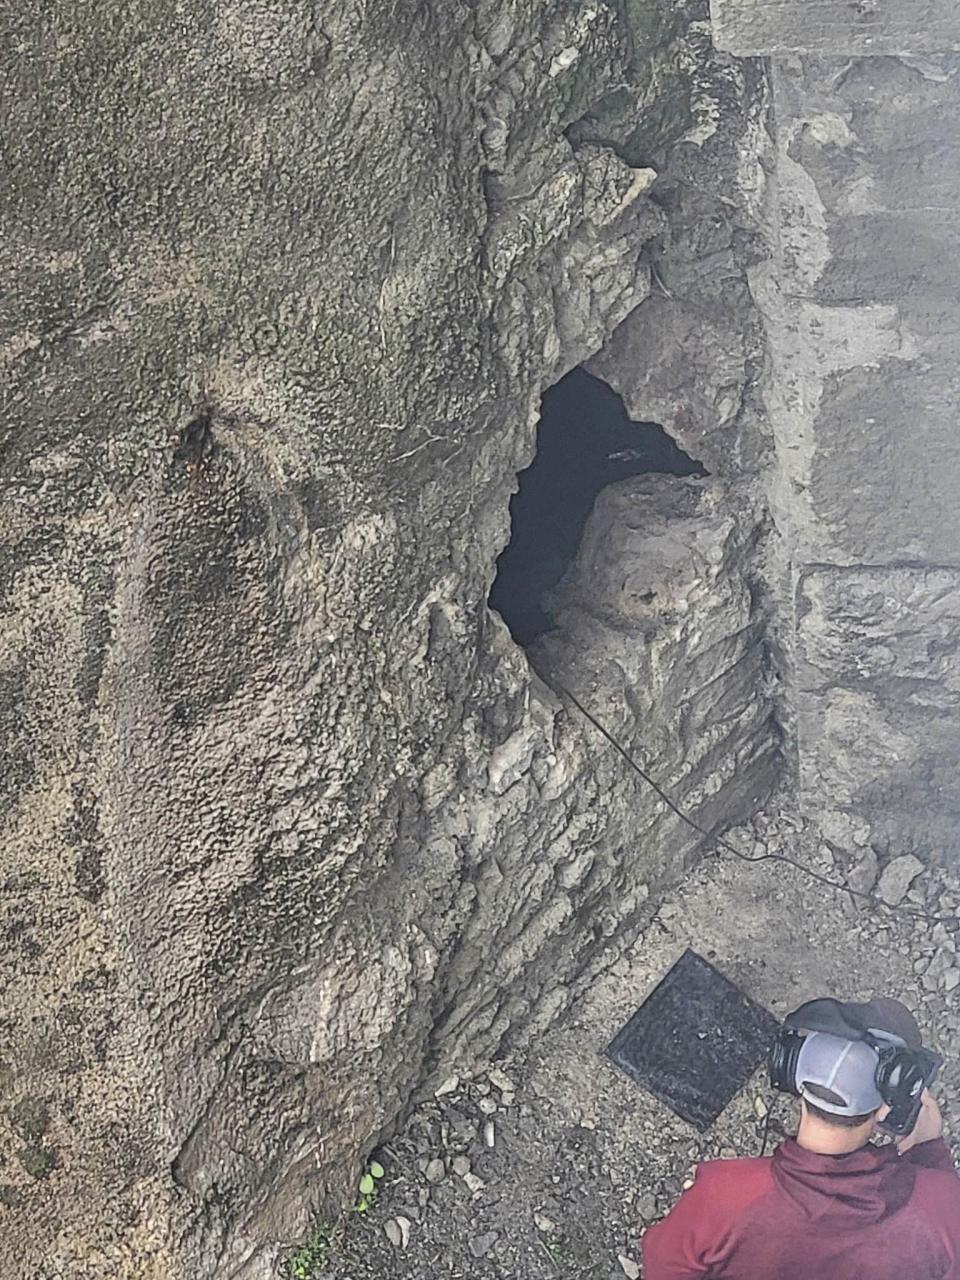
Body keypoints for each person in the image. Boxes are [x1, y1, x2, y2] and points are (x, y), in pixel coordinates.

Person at [642, 996, 960, 1279]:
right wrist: (929, 1155)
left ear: (791, 1076)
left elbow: (663, 1266)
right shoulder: (942, 1209)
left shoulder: (722, 1194)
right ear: (887, 1108)